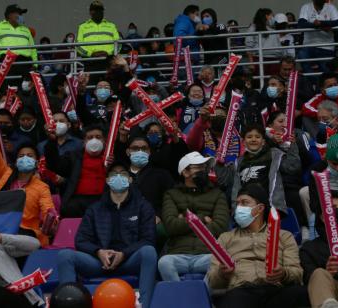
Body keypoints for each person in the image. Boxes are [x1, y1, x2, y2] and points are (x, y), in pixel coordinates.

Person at [57, 162, 157, 308]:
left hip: (129, 260)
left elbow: (148, 239)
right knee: (65, 255)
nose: (118, 177)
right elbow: (81, 240)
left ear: (130, 179)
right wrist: (99, 252)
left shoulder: (143, 206)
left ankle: (144, 305)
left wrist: (123, 254)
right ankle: (69, 304)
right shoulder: (95, 209)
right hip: (100, 262)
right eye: (113, 174)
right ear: (107, 180)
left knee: (149, 252)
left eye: (122, 174)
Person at [206, 184, 308, 308]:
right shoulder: (225, 238)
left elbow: (297, 273)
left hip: (275, 291)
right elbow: (213, 281)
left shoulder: (284, 236)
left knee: (302, 294)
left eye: (244, 203)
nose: (239, 208)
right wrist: (222, 273)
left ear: (260, 208)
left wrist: (283, 273)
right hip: (241, 291)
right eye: (237, 204)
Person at [0, 113, 57, 247]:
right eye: (21, 156)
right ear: (16, 161)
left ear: (36, 162)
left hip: (24, 235)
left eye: (30, 156)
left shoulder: (41, 187)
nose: (25, 158)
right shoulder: (5, 174)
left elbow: (48, 211)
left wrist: (50, 220)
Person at [159, 152, 229, 281]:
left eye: (204, 167)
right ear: (185, 172)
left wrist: (184, 219)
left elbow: (221, 227)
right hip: (178, 254)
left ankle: (204, 298)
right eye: (198, 167)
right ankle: (180, 298)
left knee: (218, 262)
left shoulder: (218, 194)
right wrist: (202, 219)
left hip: (207, 254)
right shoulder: (171, 194)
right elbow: (171, 226)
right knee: (164, 263)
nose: (203, 170)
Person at [217, 124, 301, 213]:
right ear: (243, 142)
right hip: (244, 210)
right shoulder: (239, 162)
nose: (253, 140)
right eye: (249, 137)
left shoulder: (274, 155)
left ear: (263, 141)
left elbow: (293, 167)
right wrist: (219, 163)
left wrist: (293, 146)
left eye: (257, 137)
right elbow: (224, 181)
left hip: (269, 209)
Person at [44, 124, 107, 218]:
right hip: (77, 202)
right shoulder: (73, 157)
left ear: (104, 140)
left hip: (103, 201)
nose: (94, 140)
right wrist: (52, 141)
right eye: (90, 138)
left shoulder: (110, 158)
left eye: (98, 137)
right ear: (84, 141)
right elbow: (55, 165)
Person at [0, 4, 37, 75]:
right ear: (9, 15)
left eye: (21, 14)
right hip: (6, 62)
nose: (21, 16)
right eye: (18, 13)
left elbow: (33, 48)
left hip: (25, 62)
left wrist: (35, 65)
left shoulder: (26, 29)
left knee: (24, 86)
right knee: (9, 85)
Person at [76, 1, 119, 82]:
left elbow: (118, 44)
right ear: (90, 12)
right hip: (91, 62)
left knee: (111, 86)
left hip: (108, 62)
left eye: (100, 10)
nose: (98, 12)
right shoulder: (82, 27)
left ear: (103, 11)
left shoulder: (111, 26)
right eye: (95, 10)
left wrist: (108, 53)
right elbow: (78, 46)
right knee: (91, 87)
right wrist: (91, 54)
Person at [297, 0, 338, 75]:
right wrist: (317, 25)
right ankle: (314, 82)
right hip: (308, 45)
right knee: (301, 56)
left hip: (326, 46)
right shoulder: (306, 7)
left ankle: (320, 83)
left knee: (327, 72)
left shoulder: (331, 7)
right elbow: (301, 23)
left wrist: (321, 23)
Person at [246, 8, 287, 77]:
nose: (273, 18)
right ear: (266, 16)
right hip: (260, 59)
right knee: (261, 81)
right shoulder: (253, 28)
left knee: (275, 81)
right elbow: (249, 46)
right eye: (271, 15)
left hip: (275, 59)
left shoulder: (273, 29)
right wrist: (251, 63)